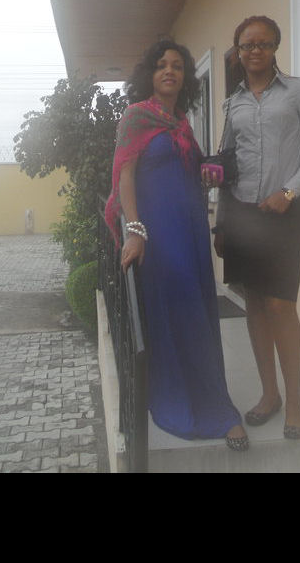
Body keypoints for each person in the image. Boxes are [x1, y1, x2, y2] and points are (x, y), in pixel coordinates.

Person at [105, 37, 249, 451]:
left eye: (178, 66)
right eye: (161, 65)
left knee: (199, 314)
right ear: (149, 74)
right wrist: (135, 230)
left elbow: (190, 170)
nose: (169, 71)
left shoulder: (181, 122)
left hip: (191, 229)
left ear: (185, 78)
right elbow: (125, 175)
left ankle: (217, 405)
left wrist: (209, 172)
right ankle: (181, 403)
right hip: (160, 233)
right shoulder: (136, 117)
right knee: (176, 314)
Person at [204, 15, 300, 440]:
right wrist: (221, 223)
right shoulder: (232, 104)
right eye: (246, 45)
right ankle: (269, 394)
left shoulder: (299, 91)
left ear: (275, 47)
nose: (254, 51)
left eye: (262, 43)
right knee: (255, 304)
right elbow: (227, 165)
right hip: (241, 215)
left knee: (281, 305)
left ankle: (294, 400)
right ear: (238, 53)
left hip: (283, 214)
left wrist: (289, 191)